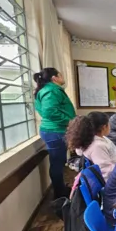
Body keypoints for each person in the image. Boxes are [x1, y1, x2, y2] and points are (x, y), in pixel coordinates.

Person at [34, 67, 76, 199]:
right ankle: (59, 194)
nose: (63, 77)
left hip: (55, 130)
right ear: (54, 78)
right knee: (57, 163)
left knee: (58, 161)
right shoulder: (51, 91)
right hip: (55, 131)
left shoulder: (48, 90)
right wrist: (70, 121)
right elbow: (49, 112)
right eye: (61, 75)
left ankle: (60, 188)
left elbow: (42, 111)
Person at [65, 112, 116, 181]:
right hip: (113, 181)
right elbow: (106, 172)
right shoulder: (97, 146)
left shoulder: (95, 139)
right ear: (104, 127)